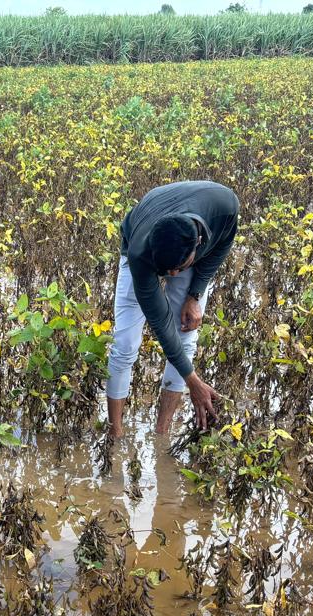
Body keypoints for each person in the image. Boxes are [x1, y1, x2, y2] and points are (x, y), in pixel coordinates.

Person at [106, 180, 238, 439]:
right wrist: (194, 382)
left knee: (186, 334)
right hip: (143, 235)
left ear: (198, 243)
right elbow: (161, 324)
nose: (171, 276)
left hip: (197, 223)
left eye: (177, 270)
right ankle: (115, 433)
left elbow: (221, 246)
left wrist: (195, 293)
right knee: (124, 345)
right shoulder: (141, 253)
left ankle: (161, 433)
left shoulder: (226, 207)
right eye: (165, 272)